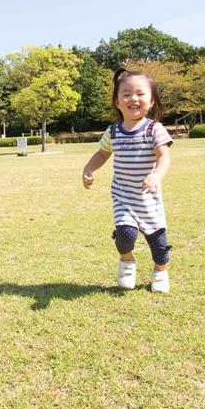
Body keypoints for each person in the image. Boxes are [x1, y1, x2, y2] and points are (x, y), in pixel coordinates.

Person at [82, 69, 173, 293]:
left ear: (151, 101)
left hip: (149, 201)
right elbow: (102, 153)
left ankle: (160, 271)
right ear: (117, 102)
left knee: (159, 245)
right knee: (125, 236)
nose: (133, 98)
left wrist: (156, 175)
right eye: (126, 94)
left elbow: (164, 156)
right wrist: (89, 168)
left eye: (140, 94)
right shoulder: (113, 131)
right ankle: (127, 261)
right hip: (123, 197)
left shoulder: (154, 129)